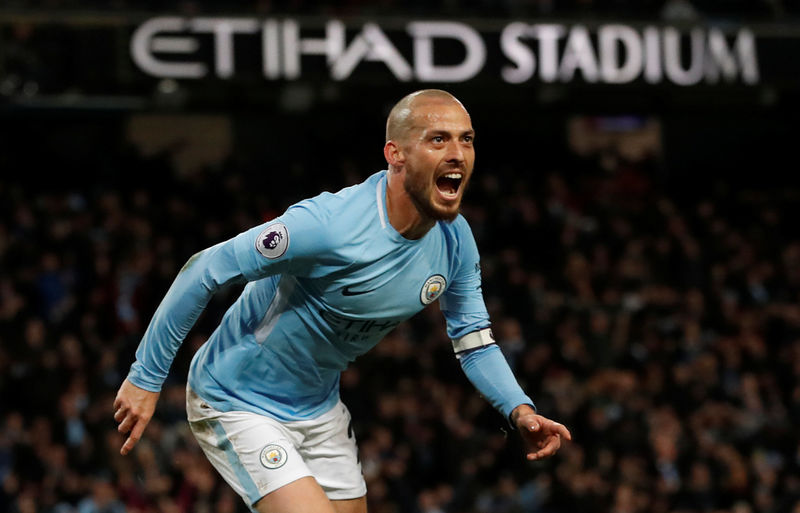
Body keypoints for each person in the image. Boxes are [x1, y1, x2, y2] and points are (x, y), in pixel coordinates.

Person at [113, 89, 572, 513]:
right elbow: (205, 269)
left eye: (466, 140)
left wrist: (521, 409)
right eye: (438, 139)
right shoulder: (328, 226)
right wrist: (146, 377)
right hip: (237, 398)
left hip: (319, 406)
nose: (456, 153)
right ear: (396, 154)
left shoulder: (455, 242)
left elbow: (475, 343)